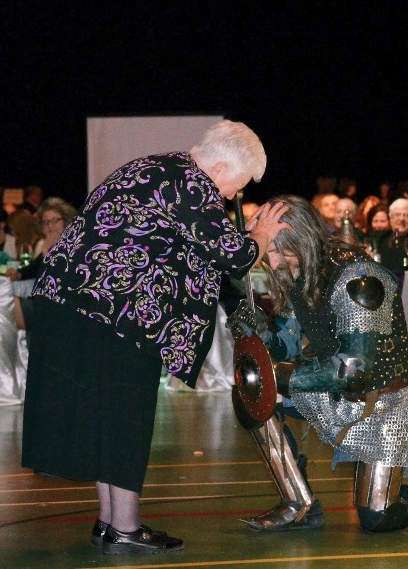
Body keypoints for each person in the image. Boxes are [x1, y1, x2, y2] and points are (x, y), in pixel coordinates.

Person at [22, 120, 277, 554]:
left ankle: (109, 522)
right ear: (219, 167)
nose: (233, 197)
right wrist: (260, 238)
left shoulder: (155, 168)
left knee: (106, 419)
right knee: (125, 416)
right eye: (237, 185)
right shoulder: (190, 183)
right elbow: (230, 255)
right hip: (110, 312)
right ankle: (124, 526)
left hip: (80, 307)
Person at [230, 195, 408, 532]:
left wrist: (279, 375)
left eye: (276, 251)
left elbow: (352, 371)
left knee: (380, 518)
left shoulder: (359, 281)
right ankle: (298, 503)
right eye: (267, 252)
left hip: (381, 401)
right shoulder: (299, 268)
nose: (271, 263)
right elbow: (288, 342)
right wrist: (259, 331)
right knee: (252, 392)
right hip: (331, 389)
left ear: (300, 239)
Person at [12, 196, 76, 330]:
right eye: (46, 222)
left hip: (63, 308)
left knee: (7, 304)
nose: (50, 227)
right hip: (44, 304)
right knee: (2, 301)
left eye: (54, 221)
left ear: (66, 221)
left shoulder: (74, 247)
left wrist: (47, 254)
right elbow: (33, 268)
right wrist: (17, 274)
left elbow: (60, 283)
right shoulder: (50, 246)